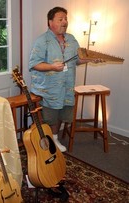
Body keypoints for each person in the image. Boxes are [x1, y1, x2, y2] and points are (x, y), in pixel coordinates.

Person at [28, 7, 100, 152]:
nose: (65, 22)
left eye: (66, 19)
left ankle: (54, 138)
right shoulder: (42, 41)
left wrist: (90, 59)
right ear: (50, 22)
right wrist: (52, 67)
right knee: (50, 116)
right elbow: (34, 64)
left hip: (67, 87)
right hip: (48, 89)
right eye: (60, 19)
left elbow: (77, 61)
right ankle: (46, 141)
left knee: (61, 113)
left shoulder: (72, 39)